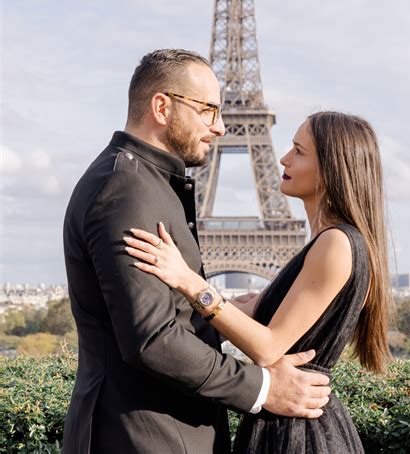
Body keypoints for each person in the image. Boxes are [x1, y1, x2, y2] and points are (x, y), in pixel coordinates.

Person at [62, 49, 331, 454]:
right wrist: (263, 388)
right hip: (145, 439)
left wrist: (226, 310)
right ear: (161, 106)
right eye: (207, 111)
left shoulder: (148, 182)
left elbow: (164, 318)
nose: (220, 126)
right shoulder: (127, 189)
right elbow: (153, 339)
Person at [124, 110, 392, 453]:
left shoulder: (337, 244)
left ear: (331, 168)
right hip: (292, 421)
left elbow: (268, 346)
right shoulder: (329, 243)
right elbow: (254, 319)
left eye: (298, 151)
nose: (283, 158)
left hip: (298, 431)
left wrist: (189, 282)